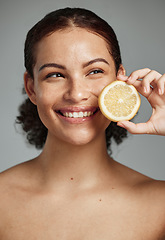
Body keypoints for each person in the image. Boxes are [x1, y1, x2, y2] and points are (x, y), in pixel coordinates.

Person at [0, 7, 165, 239]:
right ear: (31, 88)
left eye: (95, 71)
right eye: (55, 75)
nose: (76, 94)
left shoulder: (160, 206)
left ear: (120, 79)